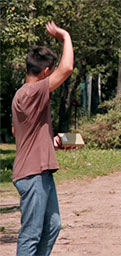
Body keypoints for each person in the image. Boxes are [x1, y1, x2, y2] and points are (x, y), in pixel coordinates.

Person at [11, 21, 73, 256]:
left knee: (52, 226)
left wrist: (52, 142)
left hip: (41, 172)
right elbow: (66, 69)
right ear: (46, 71)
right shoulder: (31, 91)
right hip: (32, 175)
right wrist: (64, 35)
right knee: (31, 234)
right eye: (52, 70)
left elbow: (19, 133)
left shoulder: (22, 95)